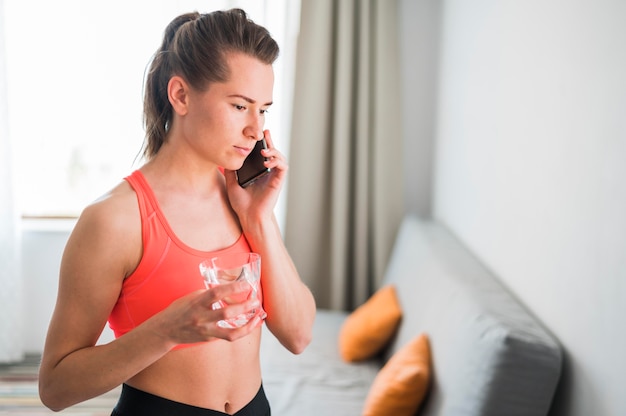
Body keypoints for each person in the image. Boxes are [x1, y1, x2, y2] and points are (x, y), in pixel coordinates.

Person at [38, 8, 316, 416]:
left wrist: (258, 219)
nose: (256, 129)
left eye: (264, 109)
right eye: (240, 106)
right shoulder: (114, 220)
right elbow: (55, 387)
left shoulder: (244, 196)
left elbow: (298, 335)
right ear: (181, 95)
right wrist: (167, 330)